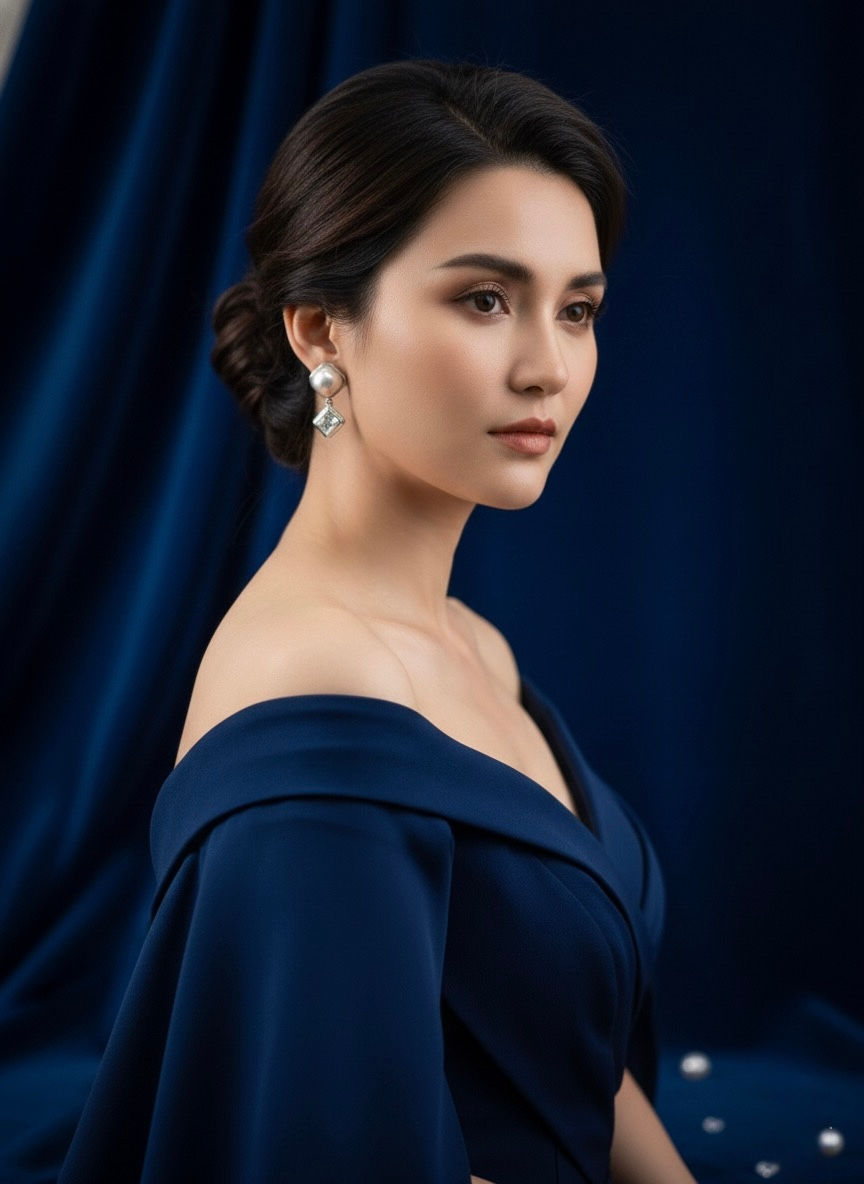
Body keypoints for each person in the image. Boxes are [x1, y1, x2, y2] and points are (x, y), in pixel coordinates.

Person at [59, 59, 697, 1183]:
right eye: (484, 299)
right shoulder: (321, 693)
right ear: (320, 330)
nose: (549, 368)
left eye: (578, 310)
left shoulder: (473, 645)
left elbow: (567, 1052)